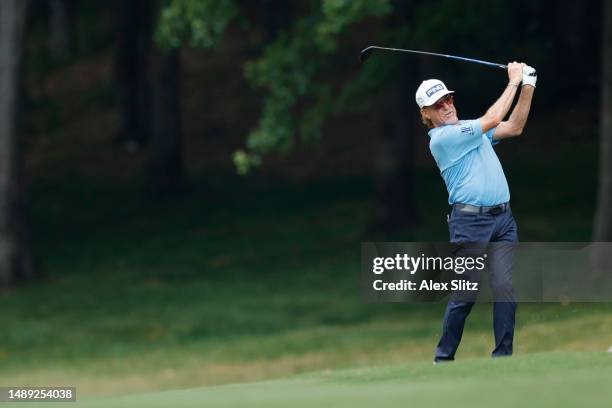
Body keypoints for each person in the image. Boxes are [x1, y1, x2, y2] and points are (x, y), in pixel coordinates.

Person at [415, 62, 536, 363]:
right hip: (470, 223)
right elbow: (494, 117)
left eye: (447, 99)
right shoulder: (443, 139)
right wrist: (513, 81)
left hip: (503, 220)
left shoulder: (470, 130)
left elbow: (515, 126)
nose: (445, 106)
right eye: (436, 104)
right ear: (426, 114)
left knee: (504, 286)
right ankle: (443, 358)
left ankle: (503, 357)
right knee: (465, 294)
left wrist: (528, 86)